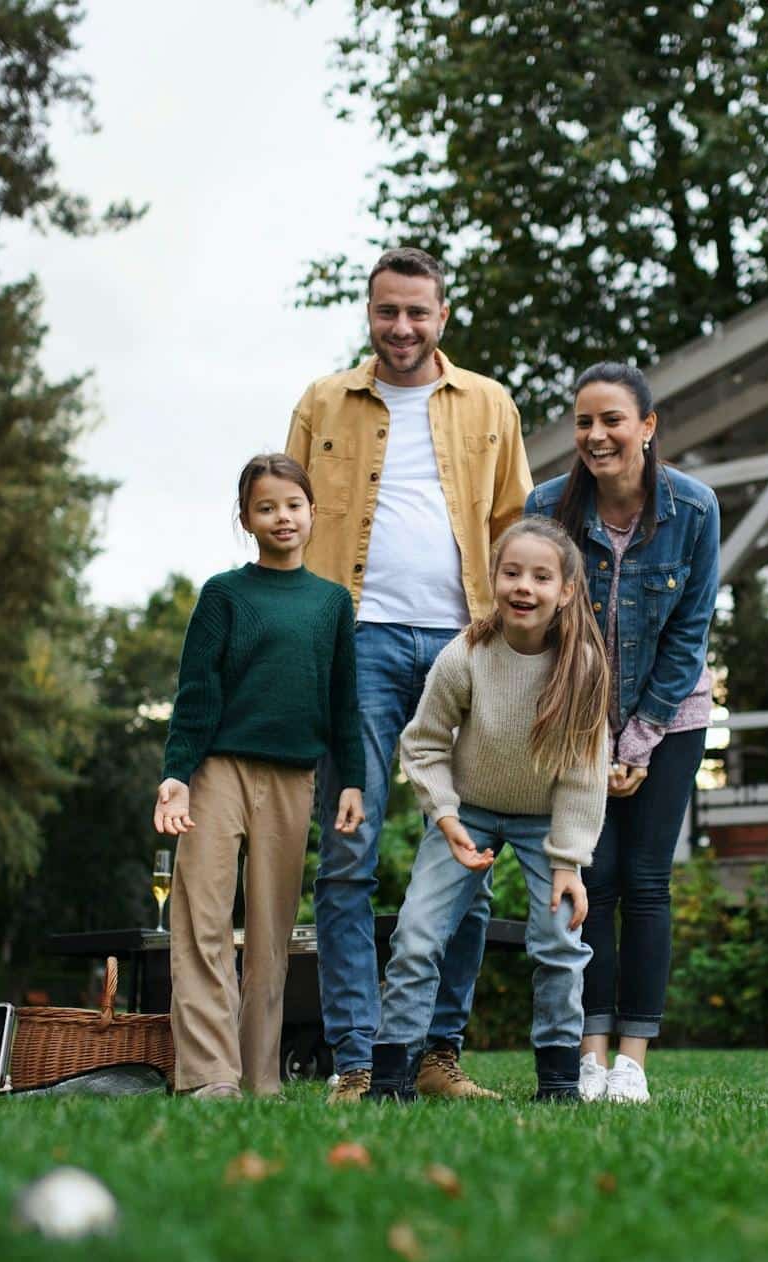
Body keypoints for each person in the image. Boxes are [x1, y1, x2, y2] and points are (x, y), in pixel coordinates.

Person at [285, 246, 532, 1103]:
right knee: (348, 853)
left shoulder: (490, 404)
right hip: (356, 644)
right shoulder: (323, 402)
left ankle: (435, 1056)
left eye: (417, 313)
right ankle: (357, 1059)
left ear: (443, 317)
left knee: (467, 854)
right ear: (369, 312)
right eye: (387, 312)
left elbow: (515, 530)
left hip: (466, 649)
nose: (401, 329)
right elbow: (288, 526)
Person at [526, 362, 721, 1104]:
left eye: (612, 420)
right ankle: (590, 1055)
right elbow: (542, 629)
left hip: (671, 720)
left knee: (644, 881)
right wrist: (595, 743)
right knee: (588, 879)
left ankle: (632, 1061)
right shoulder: (549, 507)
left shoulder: (694, 509)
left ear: (647, 426)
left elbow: (690, 632)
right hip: (577, 725)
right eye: (584, 422)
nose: (597, 435)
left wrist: (637, 740)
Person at [366, 517, 609, 1102]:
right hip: (468, 813)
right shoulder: (467, 653)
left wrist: (569, 864)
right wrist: (445, 819)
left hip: (542, 822)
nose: (524, 586)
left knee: (558, 943)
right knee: (417, 935)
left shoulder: (583, 670)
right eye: (512, 572)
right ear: (493, 579)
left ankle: (558, 1082)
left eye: (541, 576)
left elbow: (583, 776)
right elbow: (423, 741)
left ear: (566, 591)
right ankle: (392, 1078)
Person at [152, 454, 365, 1099]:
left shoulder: (331, 604)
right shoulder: (224, 594)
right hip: (218, 772)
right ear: (246, 519)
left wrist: (351, 780)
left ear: (311, 513)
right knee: (203, 922)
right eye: (266, 507)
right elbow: (196, 692)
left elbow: (343, 703)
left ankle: (260, 1079)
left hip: (295, 779)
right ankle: (211, 1075)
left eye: (292, 505)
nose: (282, 517)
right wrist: (177, 774)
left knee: (272, 936)